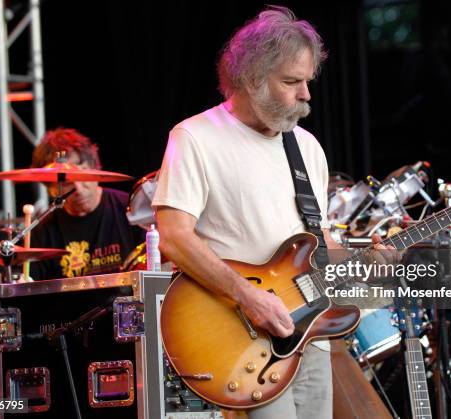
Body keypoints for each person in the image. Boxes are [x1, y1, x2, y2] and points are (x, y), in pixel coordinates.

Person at [153, 7, 398, 418]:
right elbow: (174, 235)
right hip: (241, 337)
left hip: (310, 336)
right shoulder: (195, 137)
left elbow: (317, 244)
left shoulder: (307, 147)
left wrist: (367, 262)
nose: (306, 94)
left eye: (307, 81)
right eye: (292, 81)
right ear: (251, 79)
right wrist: (249, 296)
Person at [30, 128, 143, 280]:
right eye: (67, 181)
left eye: (82, 173)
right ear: (51, 188)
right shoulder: (42, 231)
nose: (77, 187)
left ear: (96, 169)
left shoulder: (130, 208)